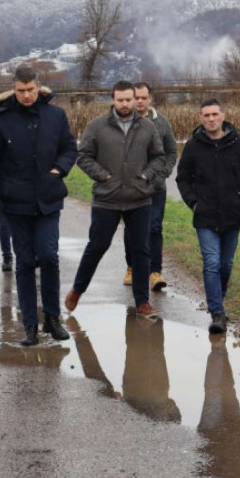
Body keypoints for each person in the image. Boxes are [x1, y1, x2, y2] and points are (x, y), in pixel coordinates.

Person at [0, 66, 78, 346]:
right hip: (15, 203)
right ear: (14, 89)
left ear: (38, 87)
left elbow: (70, 149)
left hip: (48, 200)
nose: (25, 95)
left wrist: (58, 170)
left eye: (30, 90)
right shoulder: (0, 120)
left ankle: (53, 318)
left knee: (48, 256)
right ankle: (30, 326)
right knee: (24, 262)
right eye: (20, 91)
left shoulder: (55, 116)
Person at [64, 81, 165, 318]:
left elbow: (159, 157)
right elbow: (84, 156)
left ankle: (142, 302)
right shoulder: (97, 126)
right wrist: (103, 176)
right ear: (113, 100)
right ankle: (77, 290)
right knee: (97, 246)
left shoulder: (148, 127)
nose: (125, 104)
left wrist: (147, 175)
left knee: (141, 251)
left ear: (135, 99)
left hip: (139, 198)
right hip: (106, 199)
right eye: (120, 100)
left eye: (129, 99)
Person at [175, 98, 240, 334]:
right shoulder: (193, 145)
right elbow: (182, 178)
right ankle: (217, 313)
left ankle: (218, 302)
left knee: (225, 264)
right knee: (211, 263)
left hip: (233, 213)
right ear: (201, 118)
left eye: (214, 115)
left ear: (222, 116)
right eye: (206, 115)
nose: (210, 119)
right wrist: (193, 202)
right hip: (205, 215)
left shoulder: (239, 143)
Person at [122, 82, 177, 292]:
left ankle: (155, 272)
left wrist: (163, 173)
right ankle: (132, 267)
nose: (139, 101)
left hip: (156, 187)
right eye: (136, 97)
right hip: (130, 187)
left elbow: (172, 152)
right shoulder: (123, 122)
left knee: (154, 228)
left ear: (150, 99)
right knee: (131, 229)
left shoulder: (161, 122)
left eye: (144, 97)